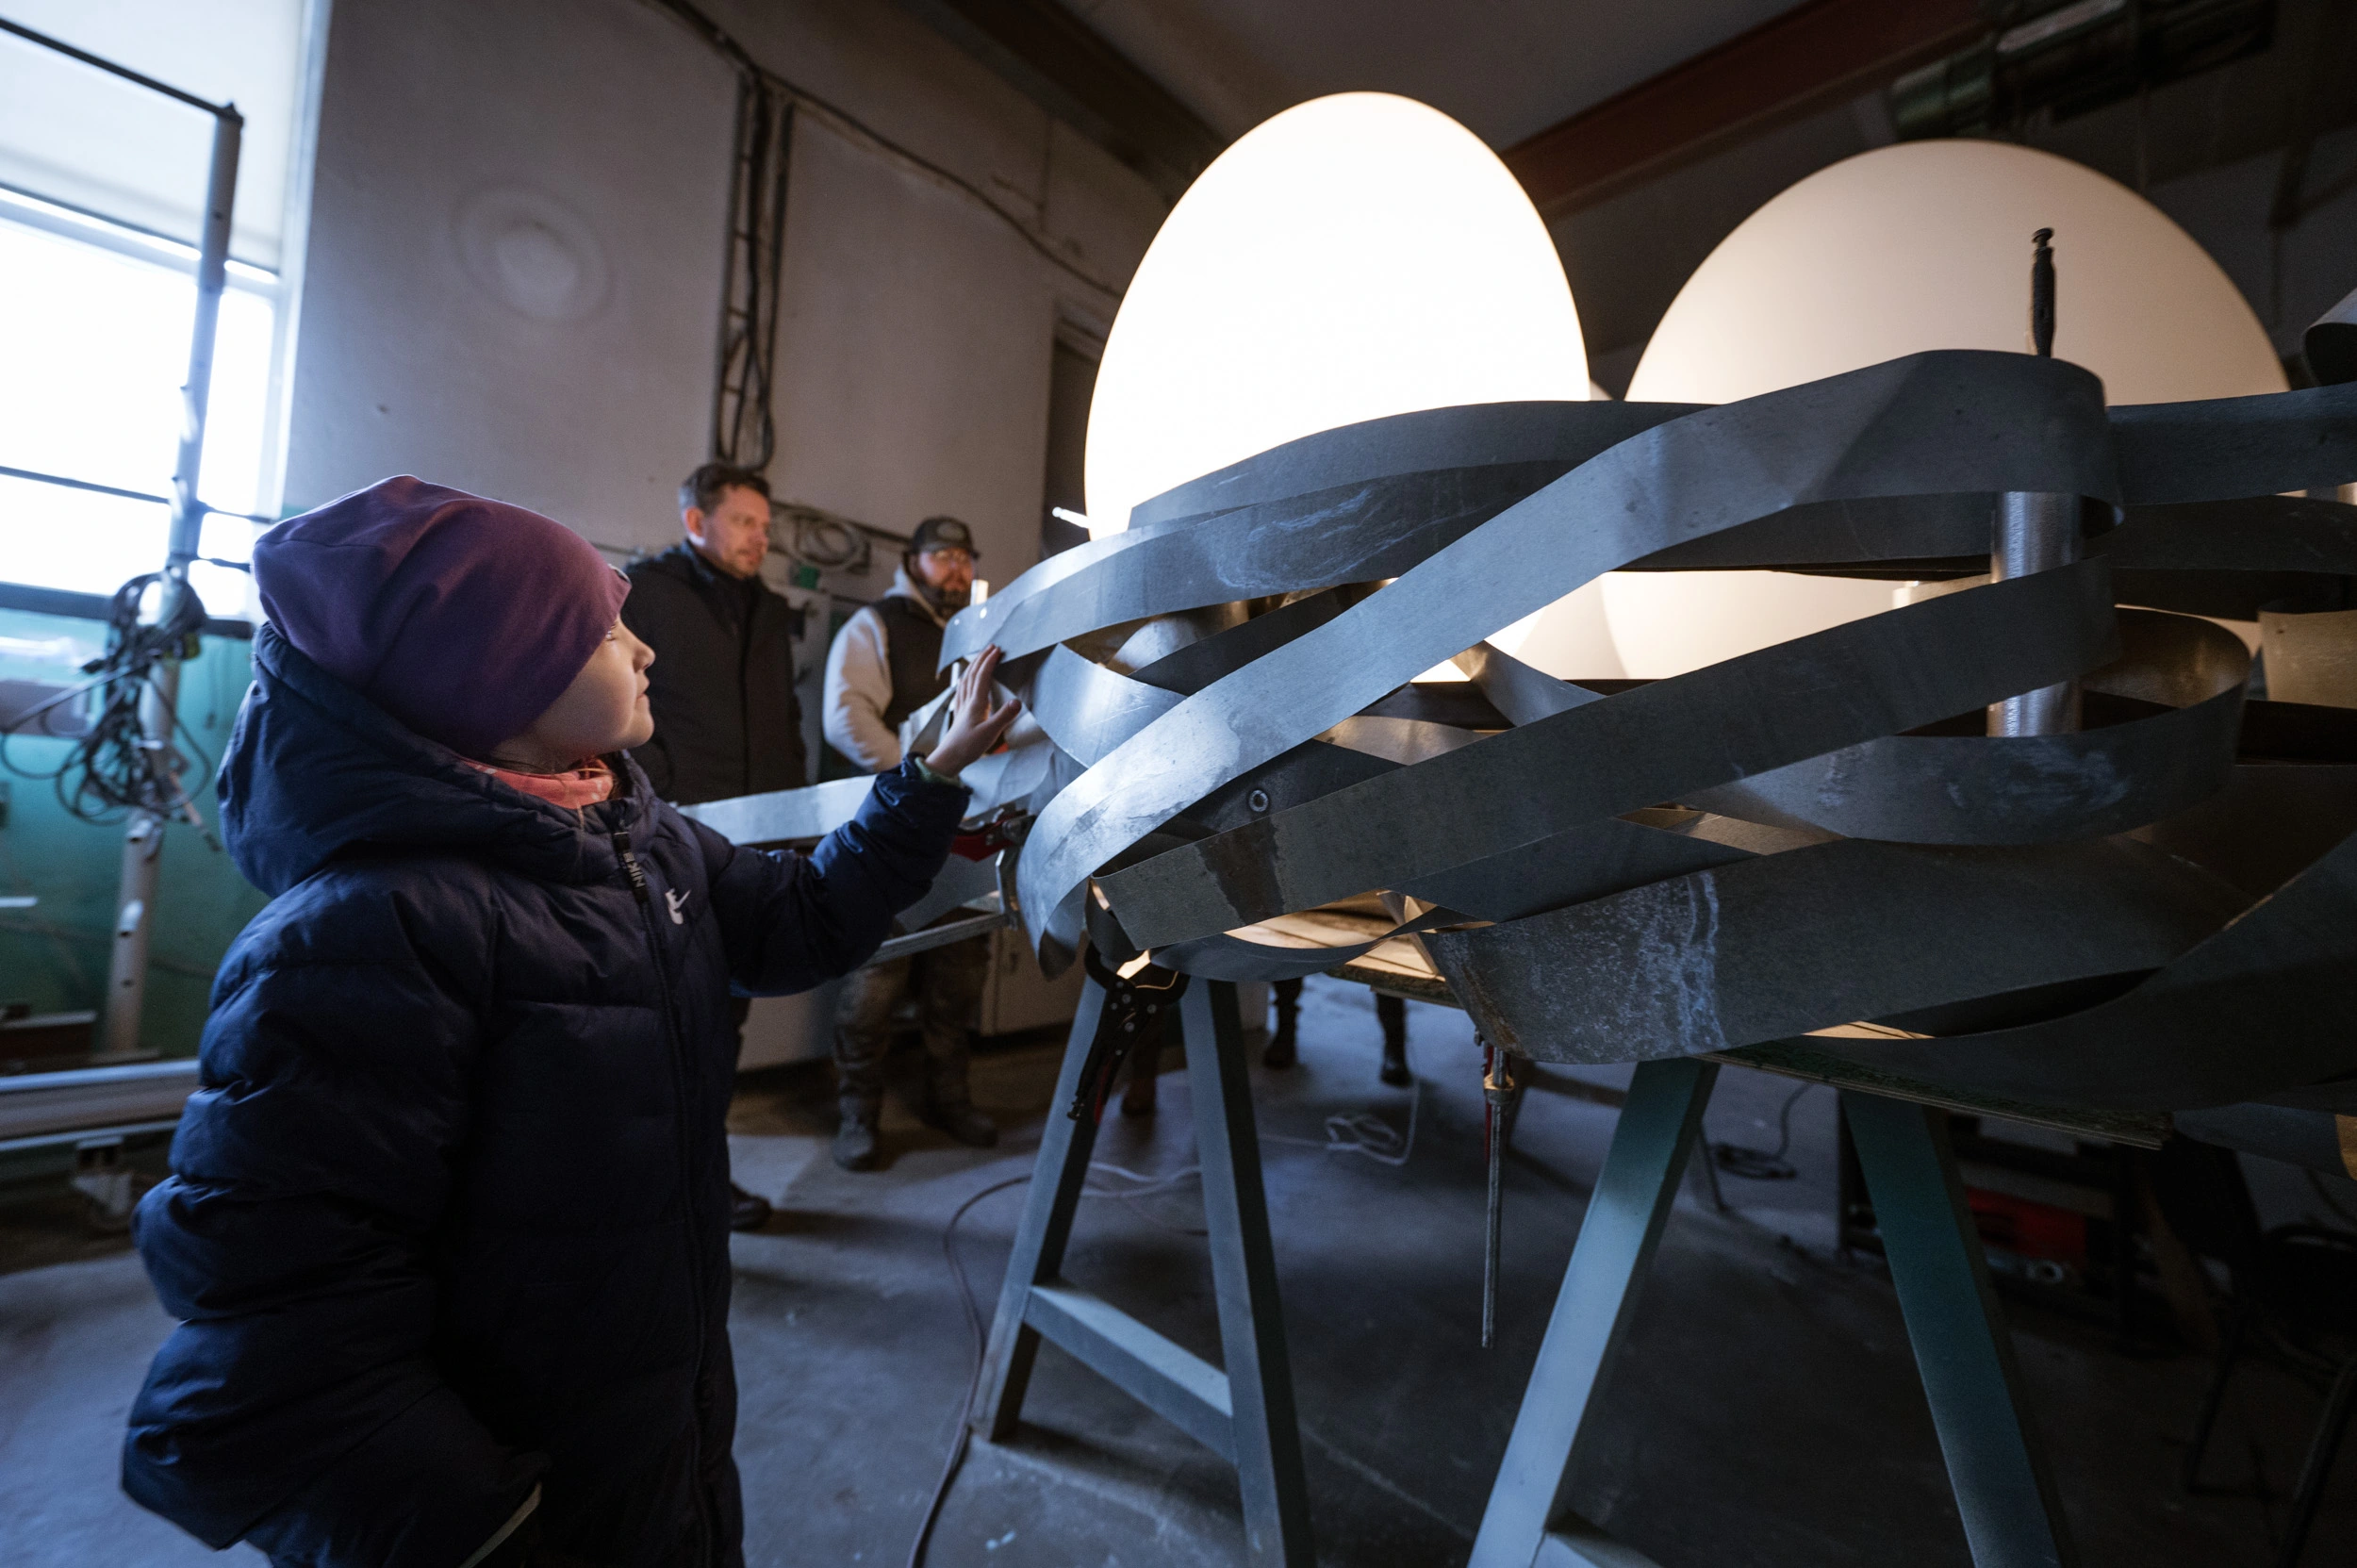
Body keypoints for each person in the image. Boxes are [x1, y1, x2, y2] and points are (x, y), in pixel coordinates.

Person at [121, 477, 1020, 1568]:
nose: (644, 652)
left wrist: (925, 779)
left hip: (657, 1427)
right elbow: (284, 1342)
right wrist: (487, 1529)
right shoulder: (364, 935)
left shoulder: (638, 837)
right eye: (603, 632)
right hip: (516, 1501)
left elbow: (800, 922)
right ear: (493, 676)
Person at [623, 463, 810, 1230]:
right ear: (696, 523)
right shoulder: (647, 591)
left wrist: (793, 810)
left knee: (724, 1013)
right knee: (653, 1010)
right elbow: (616, 697)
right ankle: (643, 1185)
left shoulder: (767, 608)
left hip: (755, 838)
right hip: (669, 830)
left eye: (764, 525)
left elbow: (784, 716)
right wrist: (665, 778)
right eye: (743, 522)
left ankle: (703, 1180)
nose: (759, 538)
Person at [821, 515, 995, 1169]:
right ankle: (857, 1115)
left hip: (968, 832)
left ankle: (950, 1100)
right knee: (876, 977)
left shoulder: (983, 631)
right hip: (894, 832)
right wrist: (920, 778)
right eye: (942, 555)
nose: (956, 567)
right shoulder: (877, 625)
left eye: (964, 556)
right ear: (912, 559)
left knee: (959, 976)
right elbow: (845, 718)